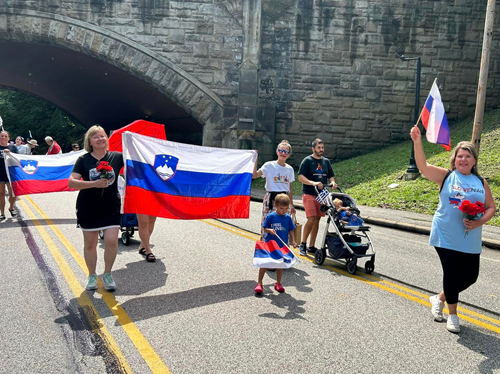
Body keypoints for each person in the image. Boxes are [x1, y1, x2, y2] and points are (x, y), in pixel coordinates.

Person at [410, 125, 495, 333]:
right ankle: (453, 315)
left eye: (467, 156)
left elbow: (491, 207)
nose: (463, 160)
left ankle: (439, 298)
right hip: (445, 234)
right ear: (454, 159)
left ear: (474, 161)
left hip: (470, 236)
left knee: (470, 276)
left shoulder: (480, 181)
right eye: (459, 156)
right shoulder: (446, 176)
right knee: (452, 272)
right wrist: (417, 141)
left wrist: (478, 221)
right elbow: (422, 166)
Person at [68, 125, 124, 292]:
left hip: (111, 206)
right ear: (90, 142)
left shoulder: (117, 157)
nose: (100, 139)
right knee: (91, 243)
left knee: (112, 240)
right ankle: (92, 275)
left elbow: (135, 170)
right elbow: (72, 182)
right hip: (89, 207)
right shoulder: (83, 160)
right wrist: (94, 184)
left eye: (102, 136)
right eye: (96, 137)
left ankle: (107, 274)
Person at [297, 138, 337, 256]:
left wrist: (333, 182)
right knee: (311, 218)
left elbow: (331, 176)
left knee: (317, 220)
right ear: (313, 149)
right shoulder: (307, 160)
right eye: (319, 148)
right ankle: (303, 244)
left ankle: (311, 246)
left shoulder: (326, 161)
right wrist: (313, 183)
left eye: (322, 148)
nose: (321, 150)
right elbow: (300, 177)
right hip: (309, 193)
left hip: (322, 194)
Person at [252, 140, 296, 241]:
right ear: (277, 152)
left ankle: (282, 249)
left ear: (289, 154)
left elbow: (289, 188)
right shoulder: (269, 165)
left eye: (286, 152)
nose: (283, 153)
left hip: (284, 199)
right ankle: (265, 246)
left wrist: (291, 204)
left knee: (283, 226)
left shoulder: (290, 169)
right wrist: (255, 159)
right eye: (281, 151)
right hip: (271, 198)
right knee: (267, 224)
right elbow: (255, 175)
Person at [254, 194, 296, 294]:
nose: (284, 211)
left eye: (286, 208)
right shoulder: (271, 216)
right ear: (275, 205)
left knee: (280, 264)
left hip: (281, 245)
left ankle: (278, 282)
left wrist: (293, 240)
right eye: (281, 208)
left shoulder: (288, 218)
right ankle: (259, 283)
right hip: (270, 245)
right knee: (265, 262)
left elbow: (291, 230)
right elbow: (264, 228)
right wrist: (269, 230)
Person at [0, 131, 19, 220]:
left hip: (10, 174)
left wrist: (10, 153)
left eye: (5, 136)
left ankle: (11, 207)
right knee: (1, 194)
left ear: (8, 138)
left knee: (13, 193)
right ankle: (2, 214)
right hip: (0, 174)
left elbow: (18, 160)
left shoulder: (13, 147)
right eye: (1, 136)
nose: (3, 137)